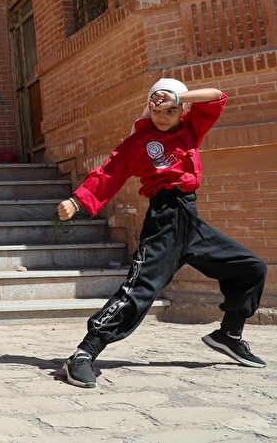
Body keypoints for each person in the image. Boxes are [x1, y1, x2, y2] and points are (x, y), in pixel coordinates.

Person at [57, 78, 267, 389]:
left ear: (181, 109)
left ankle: (229, 334)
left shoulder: (190, 128)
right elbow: (109, 172)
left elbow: (216, 96)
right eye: (157, 110)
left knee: (251, 268)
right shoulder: (140, 141)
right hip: (163, 222)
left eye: (171, 110)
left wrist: (176, 95)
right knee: (138, 291)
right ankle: (83, 354)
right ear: (149, 109)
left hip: (191, 221)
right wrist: (77, 201)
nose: (164, 116)